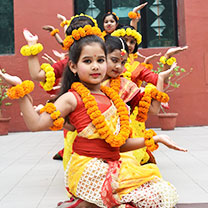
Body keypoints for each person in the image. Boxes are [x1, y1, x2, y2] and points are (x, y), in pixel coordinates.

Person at [1, 23, 187, 208]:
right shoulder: (71, 98)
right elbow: (35, 124)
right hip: (89, 170)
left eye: (100, 60)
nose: (95, 67)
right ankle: (88, 203)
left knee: (164, 193)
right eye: (87, 61)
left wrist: (156, 138)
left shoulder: (113, 98)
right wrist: (19, 89)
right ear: (73, 66)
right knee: (140, 199)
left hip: (113, 165)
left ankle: (87, 205)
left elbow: (118, 144)